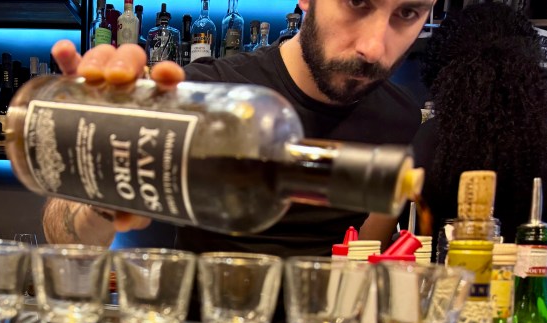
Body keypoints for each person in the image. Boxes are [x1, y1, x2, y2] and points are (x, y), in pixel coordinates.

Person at [42, 0, 435, 256]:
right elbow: (63, 234)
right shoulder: (211, 96)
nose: (374, 47)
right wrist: (101, 189)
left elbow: (365, 251)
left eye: (408, 13)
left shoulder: (398, 119)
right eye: (358, 3)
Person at [408, 2, 547, 277]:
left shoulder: (425, 138)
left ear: (442, 69)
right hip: (527, 301)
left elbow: (374, 244)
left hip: (441, 299)